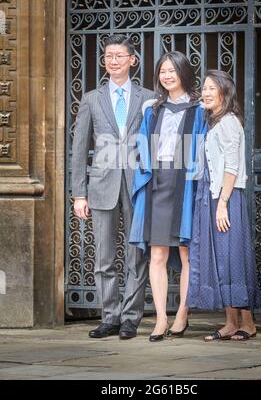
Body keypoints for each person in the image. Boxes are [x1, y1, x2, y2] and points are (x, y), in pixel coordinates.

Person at [72, 34, 154, 340]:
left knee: (137, 254)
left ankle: (131, 317)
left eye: (120, 56)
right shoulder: (92, 99)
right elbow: (80, 148)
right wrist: (79, 193)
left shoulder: (148, 97)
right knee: (104, 257)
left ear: (132, 60)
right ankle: (109, 316)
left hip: (138, 185)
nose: (113, 61)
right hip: (102, 186)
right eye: (108, 56)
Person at [129, 51, 206, 342]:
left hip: (185, 184)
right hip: (158, 183)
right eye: (163, 71)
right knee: (158, 253)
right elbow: (142, 145)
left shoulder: (199, 109)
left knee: (186, 252)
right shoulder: (153, 109)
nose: (167, 75)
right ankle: (161, 317)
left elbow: (201, 148)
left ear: (184, 73)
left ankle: (182, 315)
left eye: (173, 70)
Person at [187, 69, 261, 341]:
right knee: (220, 260)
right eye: (204, 88)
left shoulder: (229, 122)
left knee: (233, 258)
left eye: (211, 88)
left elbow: (231, 167)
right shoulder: (213, 121)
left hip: (225, 197)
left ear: (224, 93)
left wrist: (223, 204)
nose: (205, 93)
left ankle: (248, 323)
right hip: (213, 195)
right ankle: (230, 323)